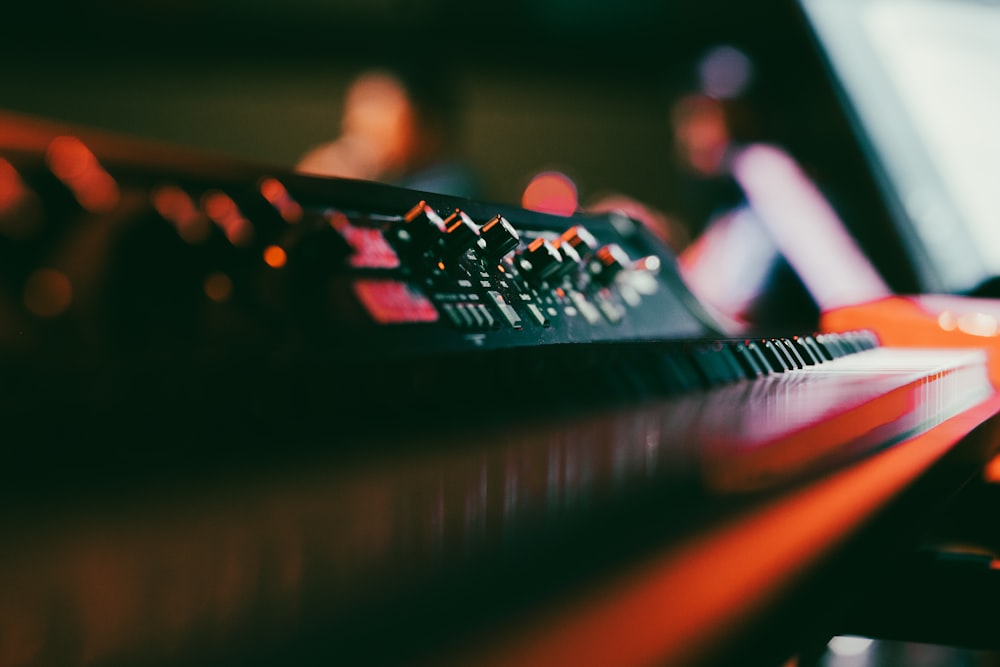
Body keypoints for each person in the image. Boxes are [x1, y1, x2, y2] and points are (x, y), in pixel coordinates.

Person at [296, 64, 480, 199]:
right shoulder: (395, 179)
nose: (360, 135)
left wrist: (344, 195)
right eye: (355, 122)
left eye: (376, 114)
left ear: (427, 126)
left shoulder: (451, 186)